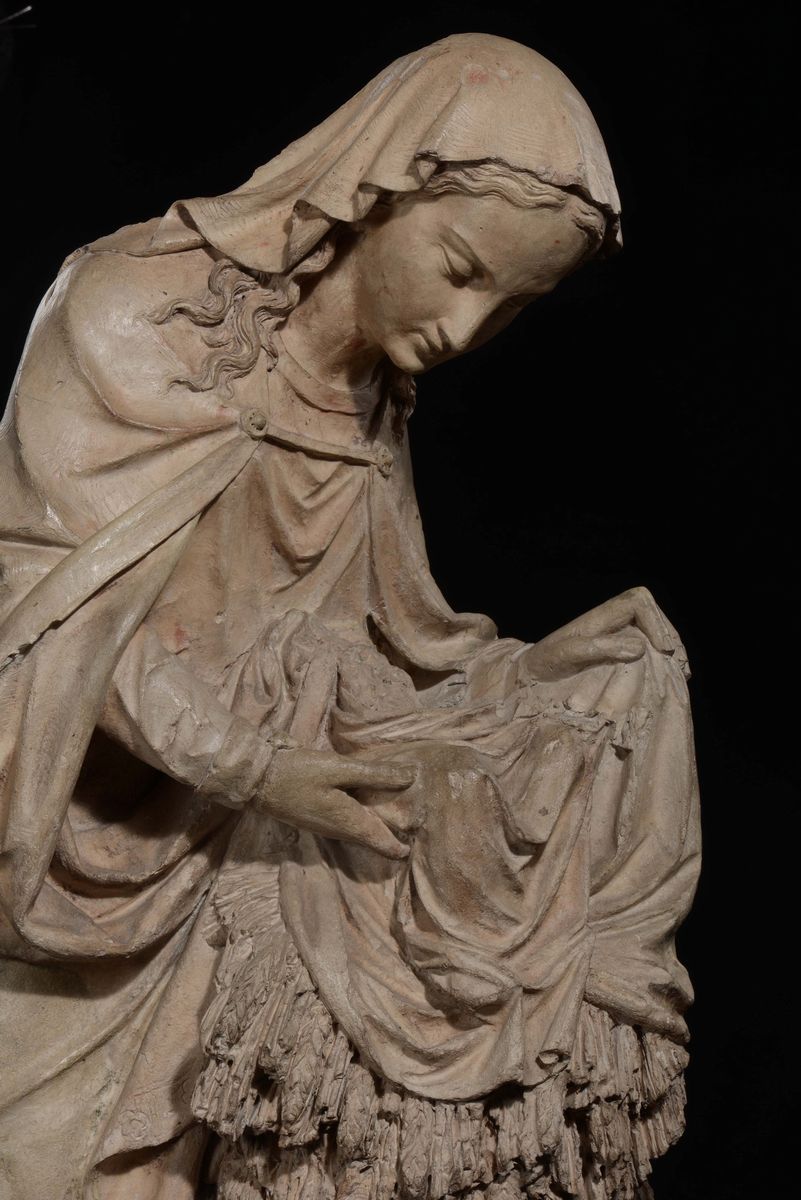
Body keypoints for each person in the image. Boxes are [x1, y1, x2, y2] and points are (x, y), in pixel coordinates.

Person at [0, 32, 700, 1200]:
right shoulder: (134, 312)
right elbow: (45, 614)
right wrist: (256, 765)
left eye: (512, 305)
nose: (466, 327)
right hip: (87, 860)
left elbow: (379, 647)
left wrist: (531, 677)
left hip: (244, 876)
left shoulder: (373, 403)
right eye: (461, 267)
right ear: (382, 185)